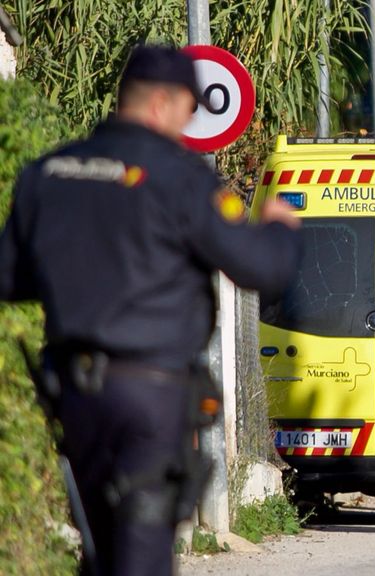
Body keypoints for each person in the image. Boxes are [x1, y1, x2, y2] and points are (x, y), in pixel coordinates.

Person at [0, 45, 302, 575]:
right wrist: (279, 225)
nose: (187, 127)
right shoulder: (180, 179)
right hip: (150, 397)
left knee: (98, 552)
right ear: (164, 103)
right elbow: (262, 271)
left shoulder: (47, 173)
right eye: (189, 113)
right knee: (140, 556)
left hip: (74, 397)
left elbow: (10, 279)